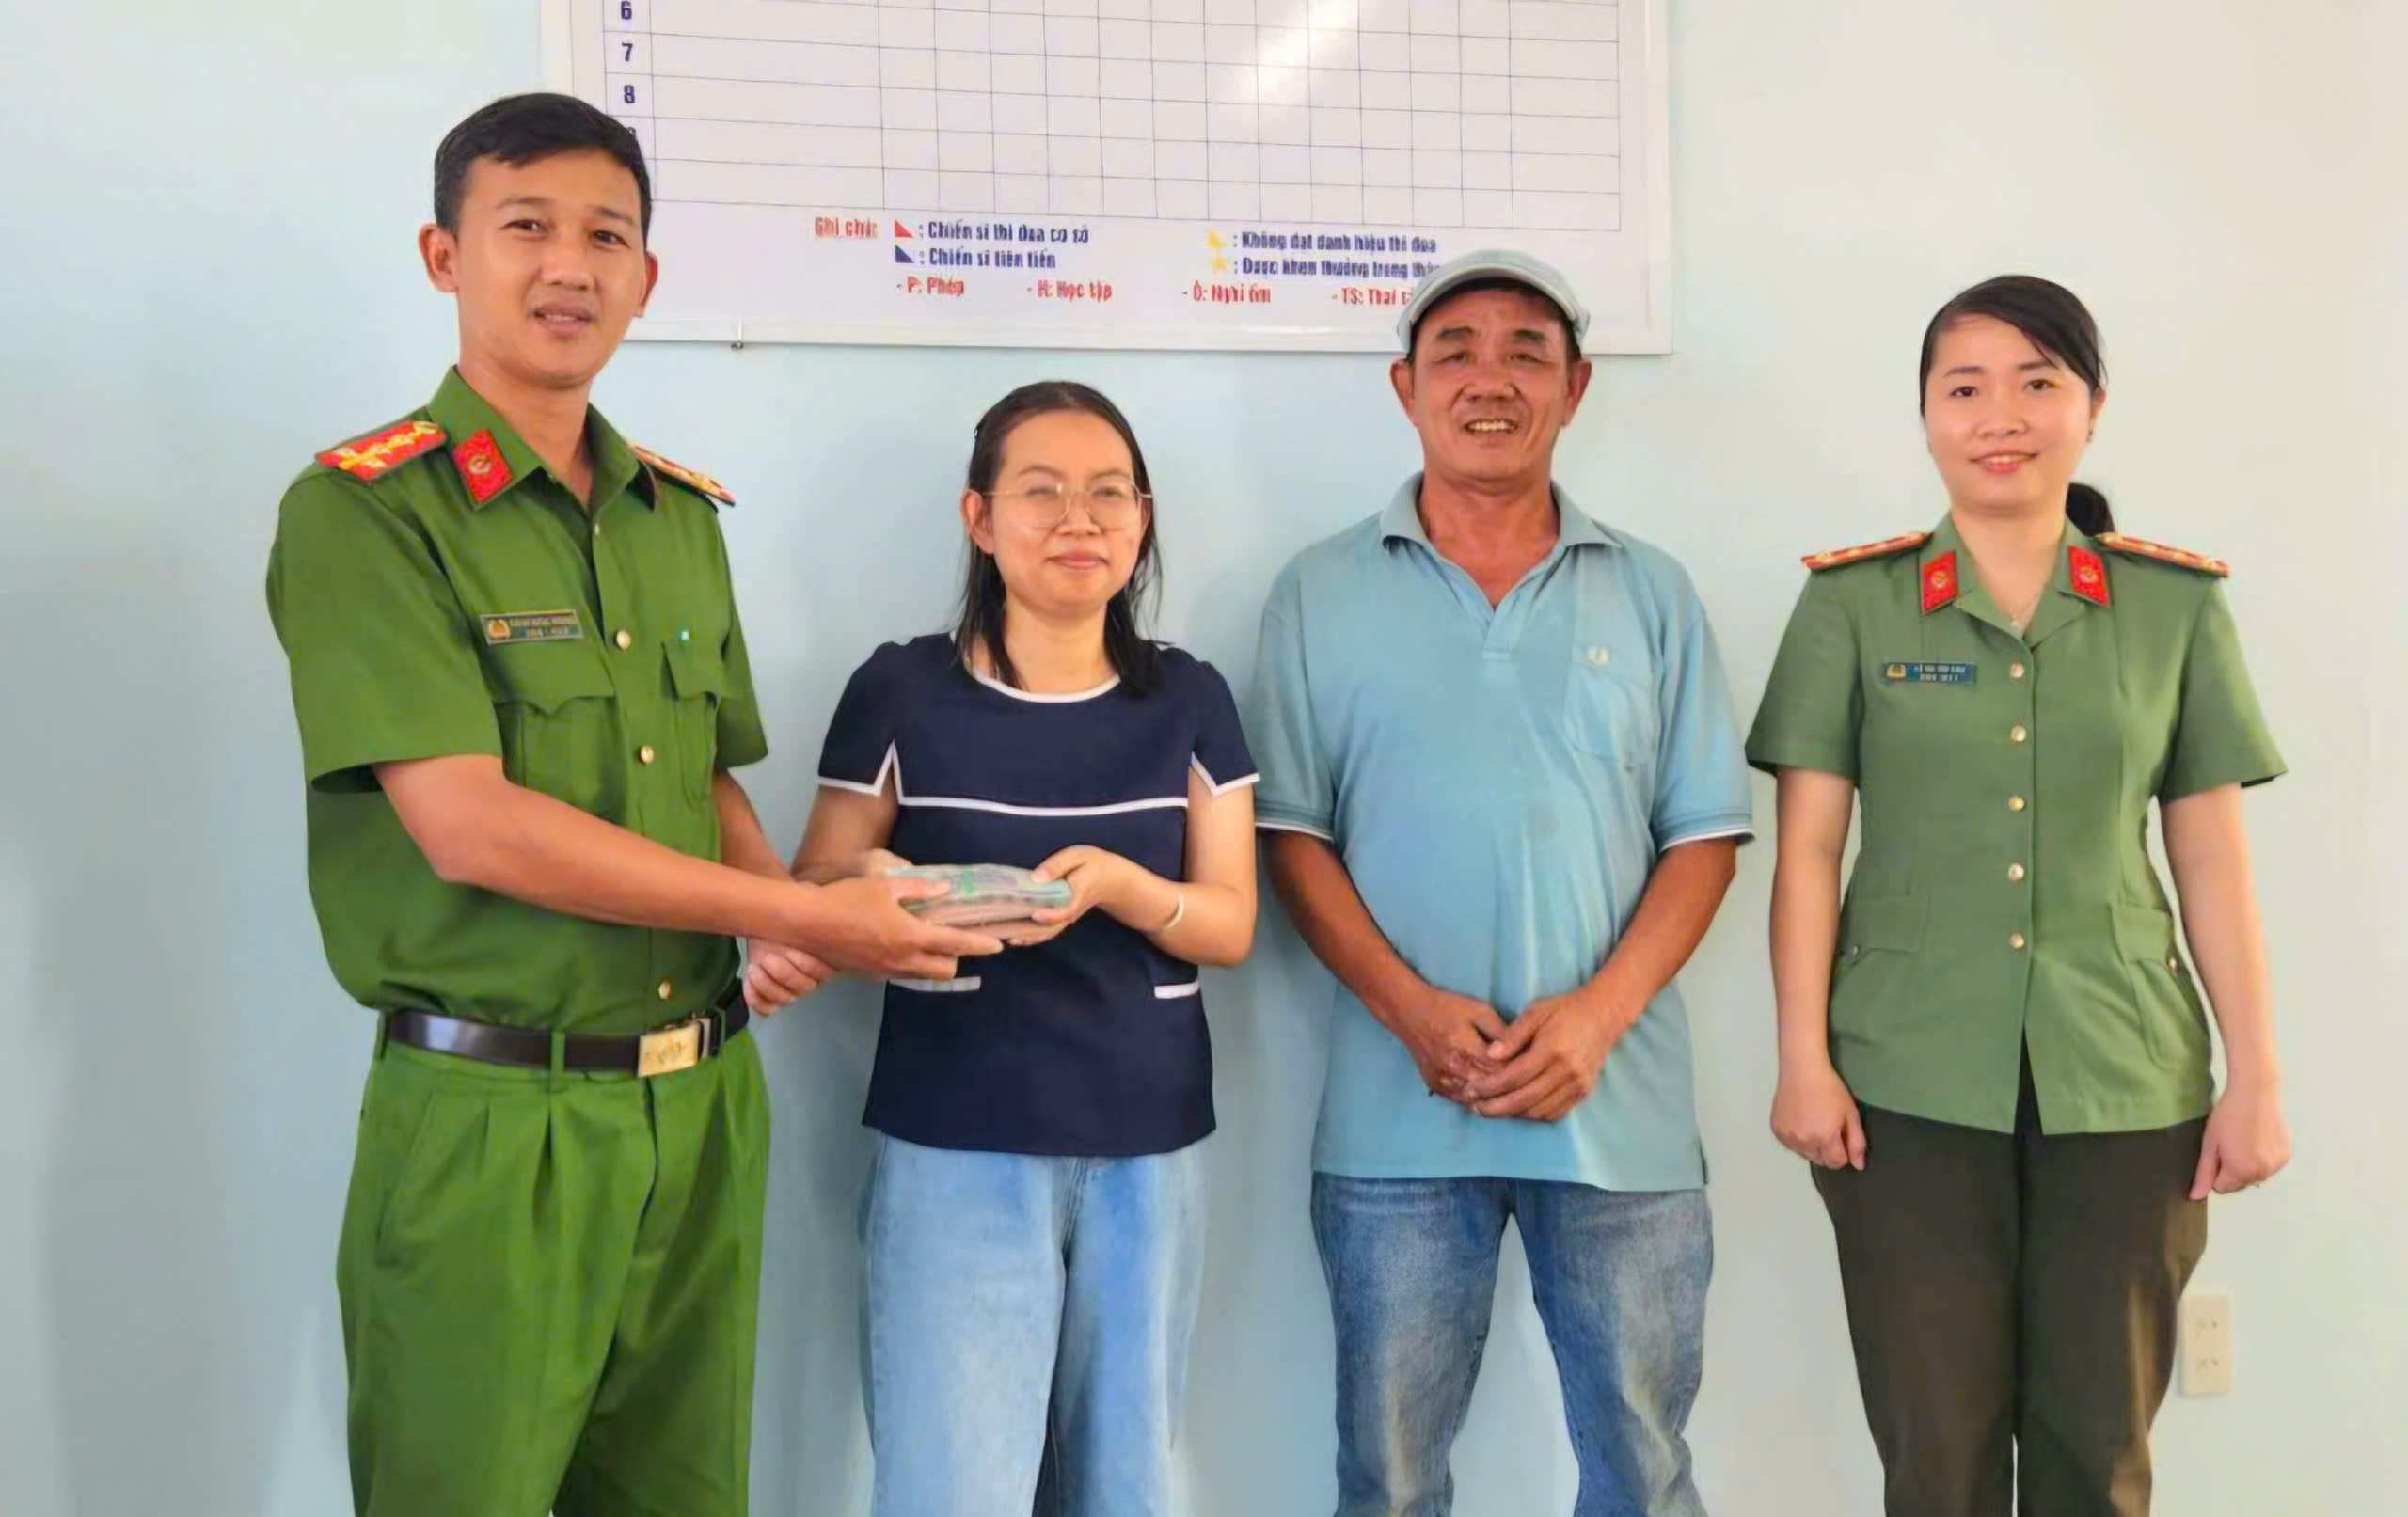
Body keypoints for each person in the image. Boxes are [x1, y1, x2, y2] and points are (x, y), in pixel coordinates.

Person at [263, 92, 1000, 1517]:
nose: (569, 267)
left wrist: (779, 932)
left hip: (702, 1107)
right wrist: (796, 908)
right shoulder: (364, 514)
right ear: (443, 255)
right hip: (492, 1118)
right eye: (524, 226)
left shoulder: (678, 518)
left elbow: (702, 776)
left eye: (608, 235)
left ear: (648, 279)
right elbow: (467, 823)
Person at [1746, 274, 2291, 1517]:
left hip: (2127, 1080)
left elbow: (2212, 855)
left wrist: (2256, 1074)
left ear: (2092, 406)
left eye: (2038, 381)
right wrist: (1801, 1058)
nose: (2003, 413)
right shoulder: (1852, 605)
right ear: (1927, 417)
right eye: (1966, 386)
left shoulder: (2173, 608)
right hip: (1903, 1080)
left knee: (2097, 1455)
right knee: (1935, 1456)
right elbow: (1809, 855)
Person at [1246, 250, 1754, 1516]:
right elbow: (1292, 836)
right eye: (1456, 350)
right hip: (1395, 1121)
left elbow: (1704, 834)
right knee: (1392, 1474)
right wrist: (1414, 1012)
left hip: (1618, 1116)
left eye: (1527, 350)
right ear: (1403, 385)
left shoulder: (1651, 592)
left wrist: (1594, 1018)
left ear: (1576, 386)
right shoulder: (1318, 591)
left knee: (1643, 1465)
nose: (1491, 377)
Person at [791, 381, 1259, 1516]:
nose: (1078, 520)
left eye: (1108, 494)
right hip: (953, 1141)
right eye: (1040, 492)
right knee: (953, 1485)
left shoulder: (1189, 698)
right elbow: (812, 884)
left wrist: (1121, 885)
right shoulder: (901, 688)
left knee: (1126, 1484)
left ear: (1142, 519)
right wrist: (892, 890)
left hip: (1145, 1151)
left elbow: (1231, 920)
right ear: (978, 516)